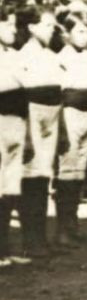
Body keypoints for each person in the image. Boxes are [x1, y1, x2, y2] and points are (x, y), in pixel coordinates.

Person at [16, 10, 65, 260]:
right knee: (32, 178)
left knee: (45, 175)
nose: (51, 30)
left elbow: (61, 93)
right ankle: (30, 240)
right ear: (32, 28)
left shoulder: (51, 56)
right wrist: (25, 134)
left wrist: (62, 127)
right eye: (46, 25)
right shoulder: (22, 55)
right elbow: (20, 96)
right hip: (32, 116)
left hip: (52, 117)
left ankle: (42, 237)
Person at [55, 15, 87, 245]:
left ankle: (73, 226)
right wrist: (62, 127)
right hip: (70, 115)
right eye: (79, 31)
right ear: (68, 33)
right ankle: (63, 229)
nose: (85, 36)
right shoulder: (61, 57)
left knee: (80, 172)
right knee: (68, 171)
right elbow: (60, 95)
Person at [0, 14, 27, 269]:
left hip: (16, 124)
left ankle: (5, 250)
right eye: (7, 24)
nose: (13, 29)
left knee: (10, 189)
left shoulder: (15, 56)